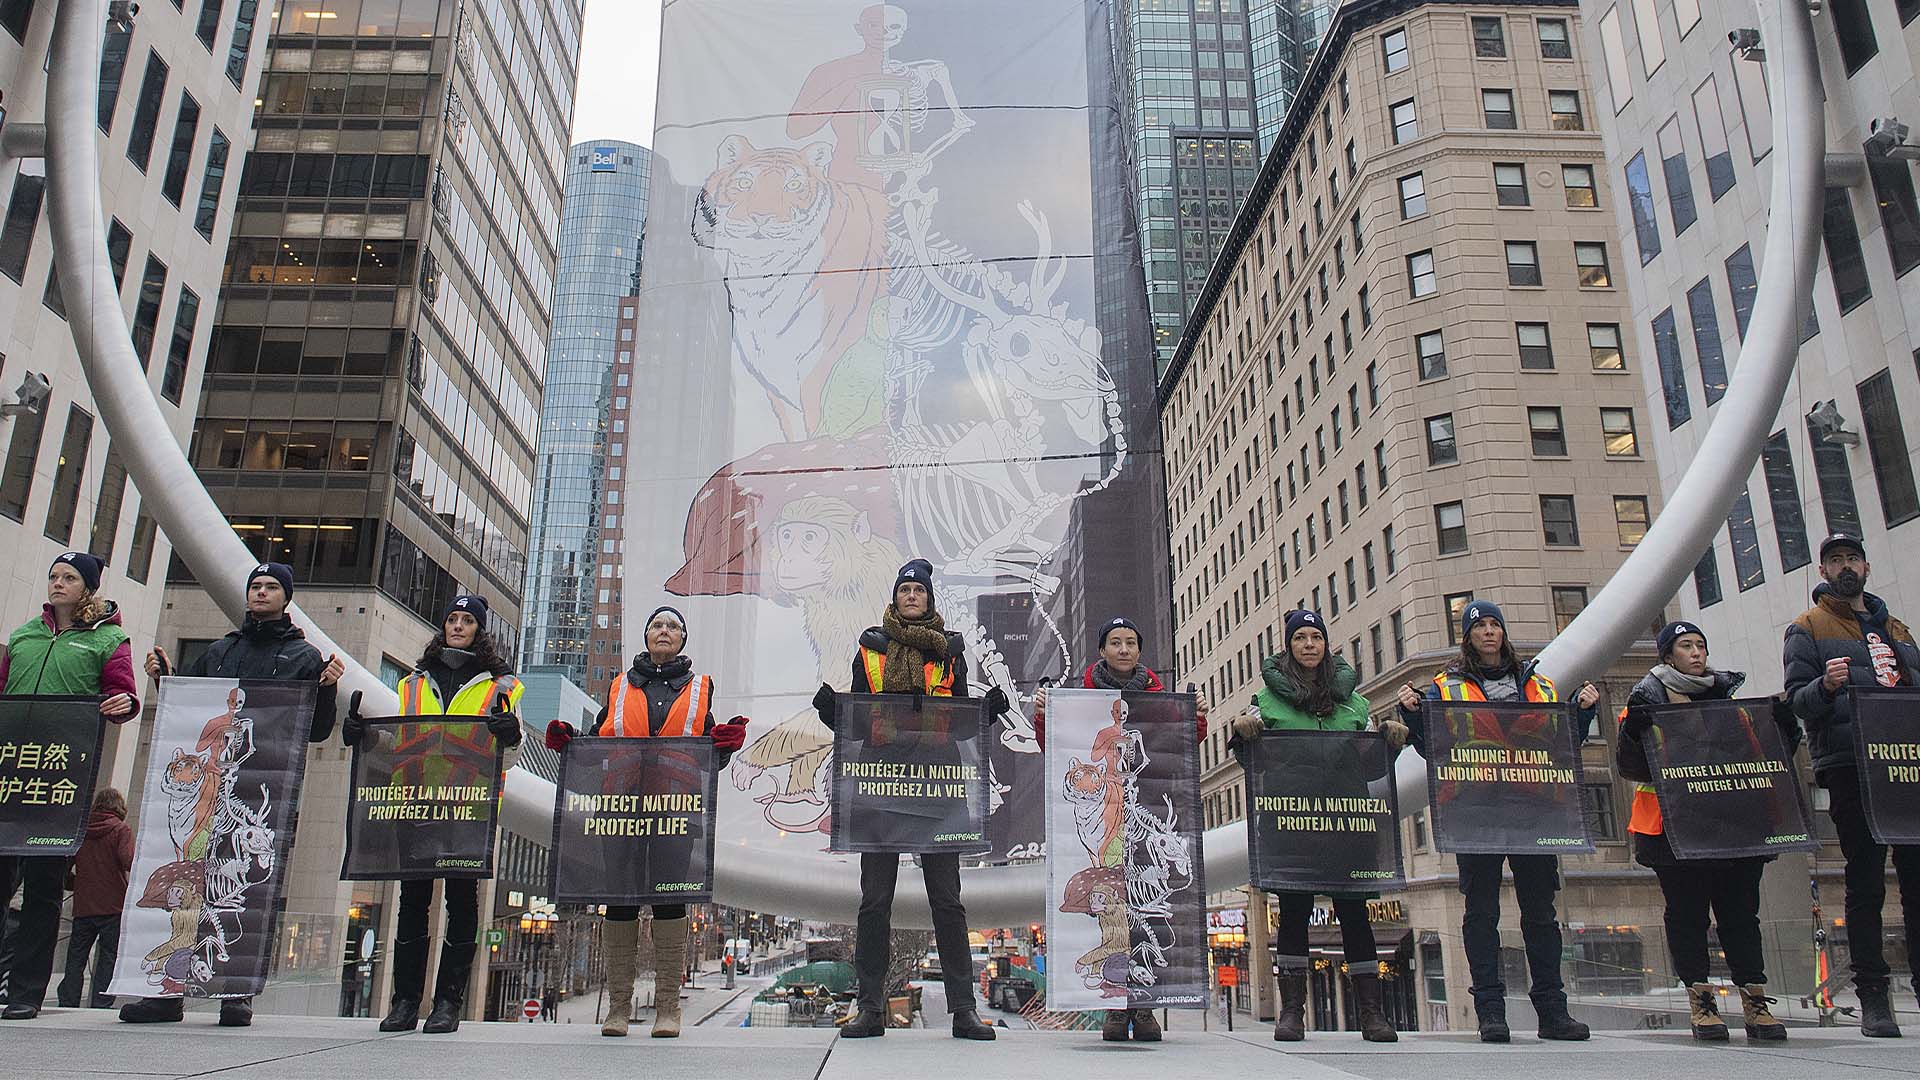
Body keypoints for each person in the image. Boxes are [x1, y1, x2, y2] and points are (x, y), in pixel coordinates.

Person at [119, 563, 344, 1026]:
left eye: (271, 587)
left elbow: (316, 730)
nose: (261, 593)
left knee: (243, 887)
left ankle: (235, 991)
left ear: (287, 597)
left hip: (261, 793)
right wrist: (167, 678)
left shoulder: (305, 657)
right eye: (255, 586)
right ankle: (168, 989)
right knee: (188, 882)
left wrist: (327, 688)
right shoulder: (221, 650)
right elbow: (190, 706)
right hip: (206, 793)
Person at [811, 559, 1004, 1040]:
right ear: (895, 598)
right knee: (874, 901)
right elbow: (858, 718)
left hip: (936, 786)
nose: (912, 596)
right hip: (880, 784)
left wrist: (988, 716)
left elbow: (960, 719)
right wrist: (834, 714)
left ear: (930, 599)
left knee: (948, 900)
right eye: (905, 590)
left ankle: (964, 1010)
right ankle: (870, 1008)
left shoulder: (951, 652)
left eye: (919, 590)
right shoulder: (870, 648)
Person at [1396, 599, 1599, 1044]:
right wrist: (1412, 715)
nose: (1489, 632)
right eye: (1480, 626)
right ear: (1467, 636)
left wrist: (1582, 712)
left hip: (1534, 811)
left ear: (1503, 633)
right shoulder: (1444, 688)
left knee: (1541, 915)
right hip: (1476, 812)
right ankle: (1490, 1012)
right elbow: (1432, 746)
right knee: (1481, 913)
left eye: (1495, 625)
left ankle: (1552, 1011)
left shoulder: (1541, 685)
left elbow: (1563, 741)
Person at [545, 605, 748, 1038]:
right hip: (621, 813)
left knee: (670, 902)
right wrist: (568, 745)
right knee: (619, 902)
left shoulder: (699, 691)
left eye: (673, 626)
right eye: (657, 625)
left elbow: (707, 756)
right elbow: (596, 749)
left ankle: (668, 1010)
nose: (664, 631)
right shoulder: (618, 687)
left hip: (674, 814)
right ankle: (618, 1008)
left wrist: (725, 747)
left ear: (682, 640)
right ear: (646, 636)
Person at [346, 594, 522, 1035]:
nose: (458, 626)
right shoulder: (414, 683)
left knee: (462, 905)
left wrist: (512, 735)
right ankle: (405, 1001)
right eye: (452, 618)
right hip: (417, 803)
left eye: (466, 620)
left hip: (468, 807)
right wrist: (362, 737)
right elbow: (399, 741)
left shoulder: (501, 687)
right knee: (412, 903)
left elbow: (512, 757)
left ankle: (448, 1003)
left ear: (480, 631)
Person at [1226, 609, 1403, 1043]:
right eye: (1300, 637)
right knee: (1293, 916)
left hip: (1346, 823)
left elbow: (1370, 768)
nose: (1309, 644)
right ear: (1289, 645)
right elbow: (1252, 762)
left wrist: (1391, 746)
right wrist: (1242, 736)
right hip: (1292, 825)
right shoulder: (1265, 702)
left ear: (1327, 645)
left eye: (1316, 637)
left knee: (1355, 914)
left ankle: (1371, 1014)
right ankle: (1292, 1013)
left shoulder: (1357, 704)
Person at [1030, 615, 1208, 1043]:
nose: (1124, 649)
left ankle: (1143, 1008)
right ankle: (1113, 1007)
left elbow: (1178, 744)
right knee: (1112, 914)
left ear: (1139, 650)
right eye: (1116, 642)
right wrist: (1042, 715)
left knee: (1145, 910)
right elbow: (1055, 744)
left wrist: (1196, 718)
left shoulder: (1157, 698)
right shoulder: (1081, 698)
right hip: (1105, 823)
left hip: (1143, 815)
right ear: (1103, 650)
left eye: (1131, 641)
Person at [1616, 621, 1787, 1042]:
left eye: (1700, 645)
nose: (1696, 653)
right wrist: (1633, 734)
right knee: (1688, 915)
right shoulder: (1644, 703)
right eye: (1685, 646)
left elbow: (1759, 759)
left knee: (1741, 916)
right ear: (1667, 655)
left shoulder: (1728, 700)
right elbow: (1631, 768)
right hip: (1671, 831)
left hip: (1731, 826)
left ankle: (1754, 999)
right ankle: (1701, 1000)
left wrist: (1785, 727)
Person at [1783, 534, 1920, 1038]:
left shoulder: (1896, 628)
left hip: (1904, 767)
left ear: (1865, 566)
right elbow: (1797, 702)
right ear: (1822, 570)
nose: (1845, 567)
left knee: (1917, 882)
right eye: (1835, 560)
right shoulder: (1807, 629)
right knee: (1864, 881)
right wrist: (1826, 685)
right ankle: (1874, 995)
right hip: (1849, 766)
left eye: (1852, 559)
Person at [0, 553, 139, 1020]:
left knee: (42, 887)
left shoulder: (109, 639)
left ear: (88, 588)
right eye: (54, 576)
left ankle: (24, 993)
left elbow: (124, 694)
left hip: (60, 781)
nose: (58, 584)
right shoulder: (23, 635)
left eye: (70, 578)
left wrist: (123, 703)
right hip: (10, 774)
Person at [58, 787, 134, 1010]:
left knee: (76, 958)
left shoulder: (81, 830)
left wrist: (78, 884)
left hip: (83, 904)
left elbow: (65, 868)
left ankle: (68, 1001)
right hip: (113, 903)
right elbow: (128, 861)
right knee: (108, 957)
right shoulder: (121, 830)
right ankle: (101, 1001)